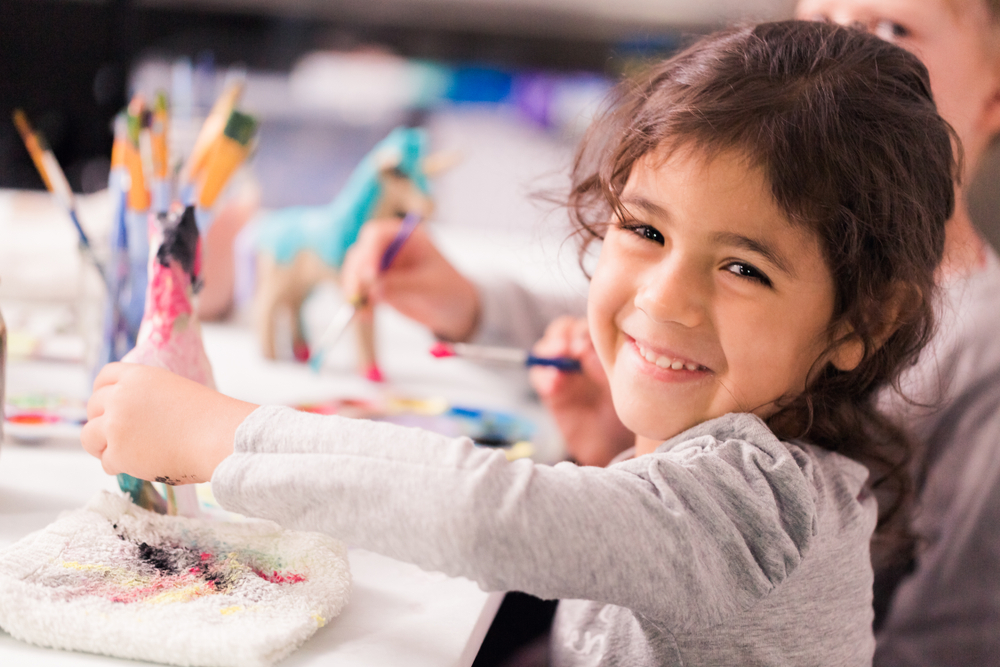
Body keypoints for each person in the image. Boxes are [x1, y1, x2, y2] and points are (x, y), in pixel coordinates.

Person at [82, 21, 956, 665]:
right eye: (645, 233)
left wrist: (216, 434)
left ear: (859, 323)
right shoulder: (734, 463)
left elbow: (483, 513)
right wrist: (614, 449)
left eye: (743, 269)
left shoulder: (766, 509)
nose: (665, 298)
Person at [793, 2, 1000, 664]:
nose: (834, 53)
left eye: (891, 31)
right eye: (820, 17)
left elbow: (949, 644)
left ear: (993, 101)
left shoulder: (987, 359)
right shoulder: (788, 283)